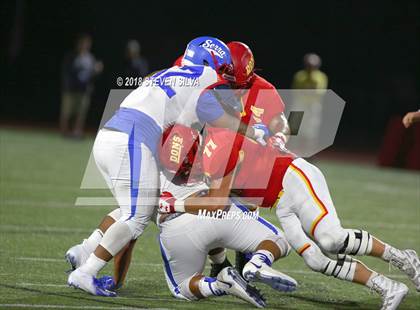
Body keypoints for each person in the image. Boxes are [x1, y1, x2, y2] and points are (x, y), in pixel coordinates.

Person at [66, 36, 269, 296]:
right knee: (136, 217)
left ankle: (84, 252)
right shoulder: (206, 75)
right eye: (223, 69)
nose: (224, 76)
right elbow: (215, 115)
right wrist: (253, 131)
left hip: (111, 135)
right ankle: (86, 272)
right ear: (212, 63)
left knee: (140, 208)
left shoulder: (167, 72)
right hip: (133, 138)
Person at [158, 124, 420, 310]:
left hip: (293, 178)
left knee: (331, 239)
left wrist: (174, 205)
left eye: (185, 167)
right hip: (280, 201)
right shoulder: (211, 147)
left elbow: (217, 205)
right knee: (316, 260)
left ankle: (402, 257)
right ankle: (387, 287)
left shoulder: (216, 151)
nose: (186, 174)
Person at [60, 34, 103, 138]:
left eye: (87, 44)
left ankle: (76, 132)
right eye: (83, 43)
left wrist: (97, 71)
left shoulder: (90, 58)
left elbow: (91, 75)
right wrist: (67, 84)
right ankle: (64, 132)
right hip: (71, 89)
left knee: (81, 112)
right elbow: (67, 71)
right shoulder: (72, 56)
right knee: (67, 111)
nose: (85, 45)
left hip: (84, 90)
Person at [291, 53, 328, 154]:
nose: (310, 67)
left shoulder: (320, 77)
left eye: (313, 66)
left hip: (313, 107)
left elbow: (320, 92)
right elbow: (296, 90)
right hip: (300, 105)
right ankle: (293, 151)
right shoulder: (300, 75)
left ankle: (309, 153)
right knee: (294, 129)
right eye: (309, 65)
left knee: (311, 131)